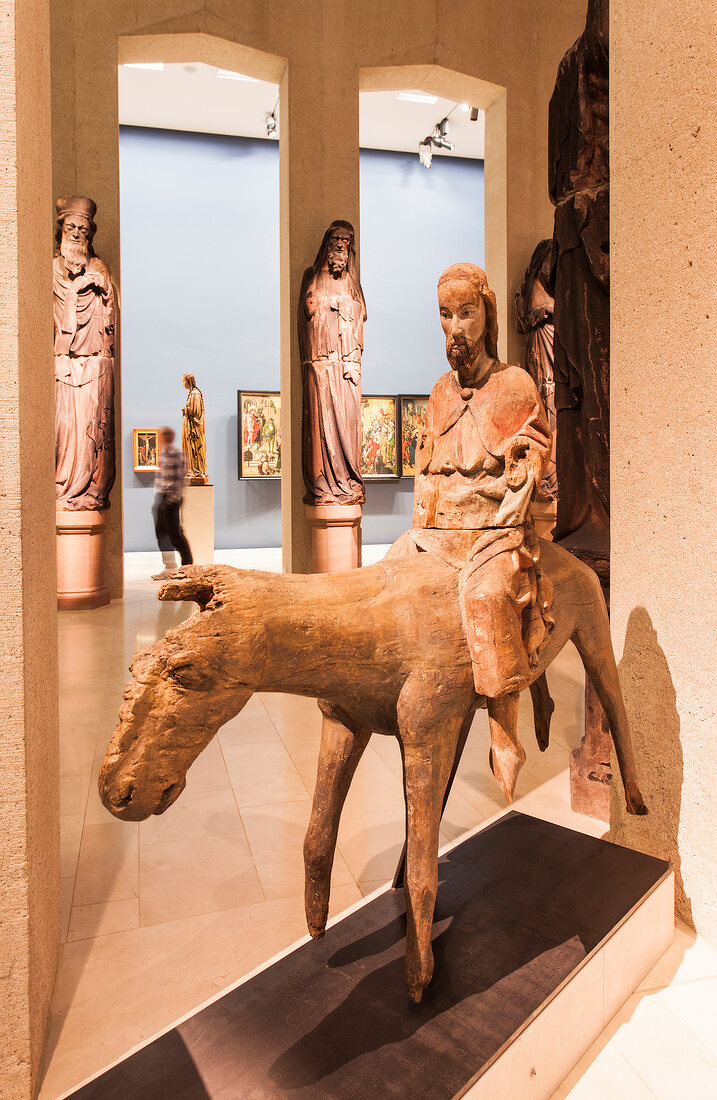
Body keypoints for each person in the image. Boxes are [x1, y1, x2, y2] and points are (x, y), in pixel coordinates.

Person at [389, 263, 553, 795]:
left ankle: (504, 725)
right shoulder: (440, 391)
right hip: (438, 530)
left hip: (493, 530)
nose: (455, 327)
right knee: (389, 570)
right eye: (445, 314)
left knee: (487, 595)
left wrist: (523, 472)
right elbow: (429, 463)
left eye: (466, 312)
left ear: (488, 315)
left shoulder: (515, 386)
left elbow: (532, 460)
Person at [53, 195, 116, 510]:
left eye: (83, 230)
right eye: (71, 227)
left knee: (92, 435)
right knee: (66, 432)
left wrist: (103, 291)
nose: (77, 234)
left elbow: (110, 323)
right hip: (64, 366)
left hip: (94, 368)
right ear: (62, 229)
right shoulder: (52, 270)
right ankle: (64, 488)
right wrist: (75, 292)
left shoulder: (99, 267)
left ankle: (88, 488)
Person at [298, 220, 367, 505]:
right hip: (321, 366)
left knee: (348, 426)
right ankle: (325, 484)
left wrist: (344, 307)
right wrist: (322, 305)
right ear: (327, 246)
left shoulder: (351, 283)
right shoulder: (312, 277)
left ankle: (348, 481)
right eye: (336, 241)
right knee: (321, 428)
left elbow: (361, 313)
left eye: (346, 243)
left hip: (346, 368)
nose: (341, 247)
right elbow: (307, 312)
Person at [152, 426, 193, 580]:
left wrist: (171, 500)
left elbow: (180, 479)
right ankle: (170, 567)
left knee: (175, 533)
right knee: (161, 533)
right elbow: (161, 478)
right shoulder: (162, 453)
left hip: (171, 498)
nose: (163, 438)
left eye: (165, 435)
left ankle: (187, 566)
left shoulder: (177, 454)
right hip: (162, 497)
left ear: (169, 436)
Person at [181, 373, 207, 483]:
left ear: (189, 381)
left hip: (194, 429)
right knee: (189, 451)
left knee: (194, 449)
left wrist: (185, 410)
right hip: (189, 427)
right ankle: (190, 469)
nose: (183, 383)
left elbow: (195, 411)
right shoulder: (192, 393)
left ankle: (196, 470)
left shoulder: (195, 394)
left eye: (184, 381)